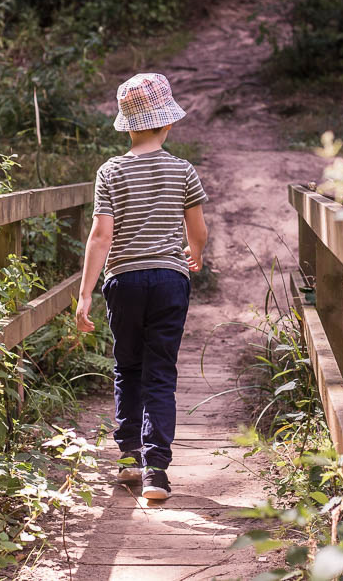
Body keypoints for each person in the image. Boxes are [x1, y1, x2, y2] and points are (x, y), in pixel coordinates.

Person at [75, 72, 208, 500]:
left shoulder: (110, 171)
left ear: (127, 125)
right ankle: (157, 473)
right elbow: (198, 228)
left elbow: (101, 236)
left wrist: (84, 294)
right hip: (170, 279)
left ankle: (130, 458)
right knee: (160, 373)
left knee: (127, 367)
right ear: (167, 122)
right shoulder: (182, 170)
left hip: (123, 281)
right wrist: (196, 255)